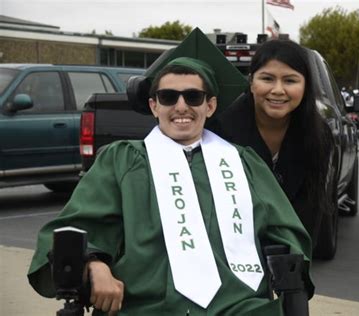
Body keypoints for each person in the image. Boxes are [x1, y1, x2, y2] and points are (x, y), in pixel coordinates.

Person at [28, 57, 313, 315]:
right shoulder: (122, 160)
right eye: (168, 97)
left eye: (193, 96)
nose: (180, 106)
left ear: (210, 105)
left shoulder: (243, 163)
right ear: (154, 106)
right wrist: (93, 264)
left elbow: (287, 234)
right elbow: (73, 229)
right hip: (143, 307)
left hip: (240, 307)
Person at [210, 39, 331, 248]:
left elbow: (309, 211)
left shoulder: (319, 135)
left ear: (306, 85)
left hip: (287, 254)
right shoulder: (219, 130)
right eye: (267, 78)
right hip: (229, 249)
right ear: (251, 81)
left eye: (290, 81)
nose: (277, 90)